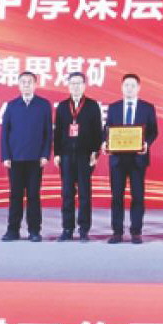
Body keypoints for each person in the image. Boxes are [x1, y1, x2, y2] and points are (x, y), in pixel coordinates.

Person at [103, 73, 157, 244]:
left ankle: (136, 232)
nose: (129, 88)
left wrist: (147, 143)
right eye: (126, 85)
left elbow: (153, 131)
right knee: (116, 197)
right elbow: (107, 129)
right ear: (122, 87)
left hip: (138, 159)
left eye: (133, 85)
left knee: (138, 196)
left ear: (138, 88)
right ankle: (117, 232)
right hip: (117, 159)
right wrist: (105, 142)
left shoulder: (147, 108)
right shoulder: (114, 107)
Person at [0, 71, 52, 242]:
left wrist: (45, 154)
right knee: (15, 195)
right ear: (19, 85)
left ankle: (34, 230)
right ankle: (12, 230)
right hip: (15, 159)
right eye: (23, 82)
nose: (26, 85)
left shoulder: (43, 105)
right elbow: (4, 133)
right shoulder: (12, 105)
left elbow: (48, 132)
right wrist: (5, 156)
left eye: (30, 82)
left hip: (36, 159)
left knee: (34, 195)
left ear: (35, 85)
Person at [53, 71, 103, 241]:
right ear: (68, 86)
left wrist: (95, 152)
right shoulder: (62, 106)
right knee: (67, 193)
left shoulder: (92, 106)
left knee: (84, 193)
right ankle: (67, 229)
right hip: (66, 155)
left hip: (85, 156)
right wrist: (57, 153)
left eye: (79, 83)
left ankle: (83, 229)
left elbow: (98, 131)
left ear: (84, 86)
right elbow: (57, 132)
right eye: (72, 83)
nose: (75, 86)